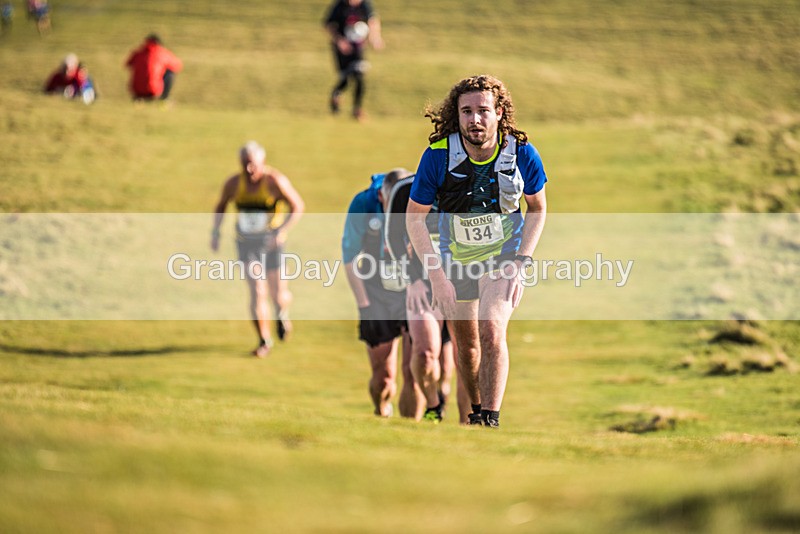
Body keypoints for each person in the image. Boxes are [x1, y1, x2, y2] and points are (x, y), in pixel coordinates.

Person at [406, 75, 548, 428]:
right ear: (457, 115)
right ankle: (475, 411)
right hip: (455, 260)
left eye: (483, 110)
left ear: (499, 113)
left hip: (504, 256)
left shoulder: (522, 152)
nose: (475, 119)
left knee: (492, 328)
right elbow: (414, 220)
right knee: (466, 351)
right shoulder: (438, 156)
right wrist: (437, 277)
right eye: (466, 111)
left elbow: (538, 208)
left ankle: (490, 419)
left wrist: (520, 262)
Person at [384, 174, 470, 423]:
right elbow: (393, 237)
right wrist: (412, 280)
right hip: (422, 283)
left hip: (465, 283)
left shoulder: (473, 183)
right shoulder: (405, 189)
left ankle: (470, 423)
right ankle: (434, 406)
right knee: (423, 354)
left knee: (467, 354)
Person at [211, 141, 304, 358]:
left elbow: (297, 206)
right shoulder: (234, 184)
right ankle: (264, 340)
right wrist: (215, 233)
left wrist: (281, 230)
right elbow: (221, 205)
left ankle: (282, 313)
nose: (249, 169)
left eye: (252, 164)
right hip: (246, 242)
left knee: (278, 293)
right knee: (257, 289)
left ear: (262, 162)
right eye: (244, 164)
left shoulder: (274, 181)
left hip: (272, 242)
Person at [342, 170, 419, 418]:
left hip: (411, 292)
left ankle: (412, 433)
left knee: (413, 371)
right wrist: (365, 305)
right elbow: (350, 257)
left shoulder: (418, 198)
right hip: (376, 293)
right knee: (383, 376)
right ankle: (380, 407)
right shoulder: (363, 204)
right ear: (381, 195)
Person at [323, 0, 384, 121]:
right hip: (342, 49)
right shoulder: (339, 6)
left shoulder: (364, 5)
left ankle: (357, 110)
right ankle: (336, 94)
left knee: (359, 75)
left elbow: (373, 20)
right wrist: (340, 41)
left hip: (358, 48)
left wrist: (375, 37)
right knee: (345, 77)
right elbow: (329, 25)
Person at [125, 34, 183, 101]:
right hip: (154, 90)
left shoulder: (138, 52)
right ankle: (164, 98)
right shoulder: (161, 52)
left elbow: (128, 64)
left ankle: (139, 97)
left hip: (137, 91)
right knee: (170, 72)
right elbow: (177, 65)